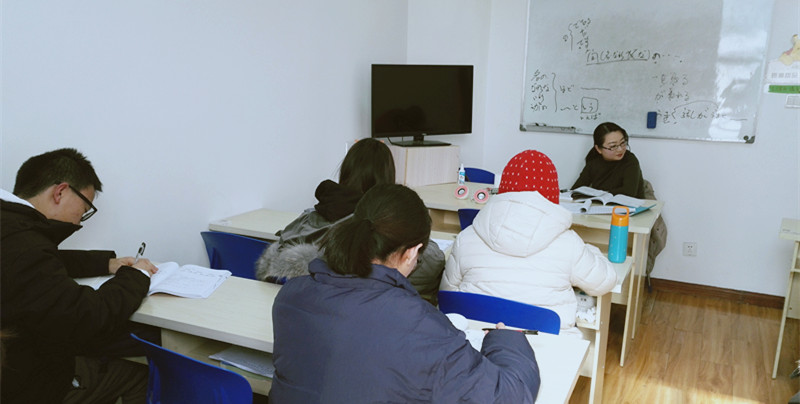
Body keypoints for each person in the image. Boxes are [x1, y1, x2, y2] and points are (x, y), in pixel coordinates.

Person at [269, 184, 541, 403]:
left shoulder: (291, 296)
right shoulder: (419, 325)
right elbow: (510, 396)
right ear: (412, 253)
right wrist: (505, 339)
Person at [1, 148, 159, 404]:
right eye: (85, 208)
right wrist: (137, 276)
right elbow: (88, 317)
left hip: (13, 362)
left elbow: (39, 261)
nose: (79, 222)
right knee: (141, 374)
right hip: (26, 384)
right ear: (60, 192)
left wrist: (106, 263)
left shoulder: (11, 229)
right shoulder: (26, 247)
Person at [440, 150, 617, 337]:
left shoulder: (467, 236)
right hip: (545, 345)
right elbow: (604, 282)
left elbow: (448, 293)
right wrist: (591, 250)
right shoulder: (569, 244)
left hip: (476, 339)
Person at [255, 138, 445, 304]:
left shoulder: (306, 218)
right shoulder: (379, 233)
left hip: (295, 307)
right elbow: (431, 264)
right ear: (388, 177)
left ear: (345, 171)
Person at [571, 121, 645, 198]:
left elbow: (629, 192)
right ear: (598, 149)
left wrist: (599, 194)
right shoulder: (593, 161)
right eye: (613, 146)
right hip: (601, 203)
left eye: (622, 143)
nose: (620, 149)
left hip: (631, 204)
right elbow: (576, 189)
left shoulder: (630, 160)